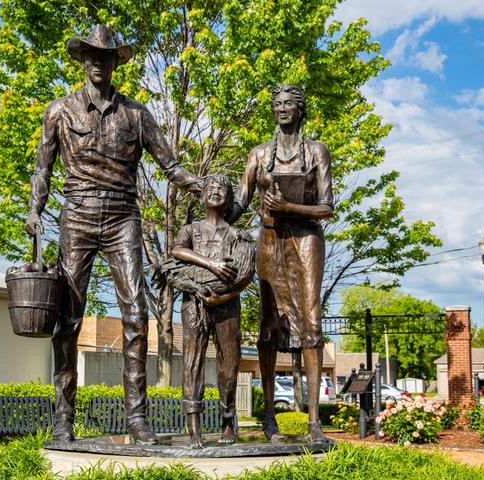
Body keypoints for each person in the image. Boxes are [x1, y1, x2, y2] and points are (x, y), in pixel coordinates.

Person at [24, 24, 201, 444]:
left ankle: (136, 419)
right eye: (92, 56)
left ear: (114, 63)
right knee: (67, 318)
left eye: (106, 57)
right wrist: (34, 210)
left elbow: (170, 166)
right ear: (83, 61)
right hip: (78, 215)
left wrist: (203, 187)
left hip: (124, 217)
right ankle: (63, 418)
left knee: (137, 314)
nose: (98, 63)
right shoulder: (59, 111)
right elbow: (42, 169)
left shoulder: (137, 115)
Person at [228, 84, 334, 442]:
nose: (282, 108)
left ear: (300, 110)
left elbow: (327, 207)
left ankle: (314, 422)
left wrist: (290, 208)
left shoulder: (316, 151)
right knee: (268, 323)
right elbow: (240, 201)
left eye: (289, 103)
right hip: (270, 240)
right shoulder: (258, 155)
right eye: (277, 104)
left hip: (306, 239)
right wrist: (213, 208)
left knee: (312, 319)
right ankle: (269, 416)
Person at [169, 175, 255, 448]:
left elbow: (245, 274)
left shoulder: (236, 234)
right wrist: (212, 264)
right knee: (192, 361)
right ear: (202, 195)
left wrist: (224, 296)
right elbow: (177, 251)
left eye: (222, 189)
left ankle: (228, 420)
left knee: (229, 362)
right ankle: (194, 426)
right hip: (194, 302)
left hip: (227, 304)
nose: (216, 192)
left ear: (230, 198)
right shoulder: (191, 230)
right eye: (210, 188)